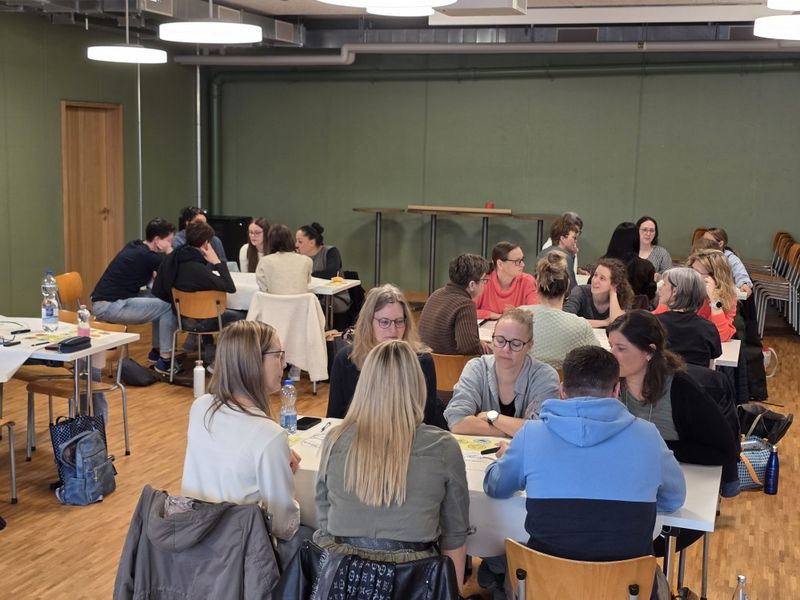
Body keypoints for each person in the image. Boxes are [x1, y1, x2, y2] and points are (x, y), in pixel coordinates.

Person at [483, 346, 685, 598]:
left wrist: (505, 457)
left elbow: (495, 486)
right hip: (626, 590)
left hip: (546, 589)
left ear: (563, 390)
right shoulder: (648, 436)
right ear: (616, 390)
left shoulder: (530, 436)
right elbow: (674, 499)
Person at [315, 340, 470, 590]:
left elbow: (324, 525)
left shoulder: (334, 440)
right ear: (417, 384)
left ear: (365, 385)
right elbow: (454, 537)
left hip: (342, 583)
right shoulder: (444, 447)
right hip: (414, 584)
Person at [181, 320, 302, 545]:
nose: (284, 364)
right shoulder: (269, 435)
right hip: (241, 552)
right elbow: (282, 526)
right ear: (253, 362)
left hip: (194, 539)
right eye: (278, 355)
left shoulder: (200, 407)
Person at [607, 310, 740, 496]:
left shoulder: (681, 389)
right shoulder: (610, 383)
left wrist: (656, 448)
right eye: (611, 346)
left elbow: (723, 450)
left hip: (681, 480)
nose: (611, 354)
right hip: (628, 476)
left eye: (621, 348)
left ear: (649, 351)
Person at [327, 284, 445, 429]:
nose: (393, 330)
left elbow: (426, 420)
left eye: (399, 321)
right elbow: (334, 419)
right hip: (360, 438)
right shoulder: (346, 360)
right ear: (368, 322)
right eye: (384, 322)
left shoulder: (421, 360)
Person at [444, 309, 559, 436]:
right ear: (492, 339)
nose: (506, 349)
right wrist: (511, 431)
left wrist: (492, 417)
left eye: (516, 344)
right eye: (500, 340)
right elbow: (456, 420)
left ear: (529, 346)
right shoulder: (477, 368)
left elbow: (542, 430)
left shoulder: (545, 377)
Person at [91, 217, 179, 376]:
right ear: (157, 240)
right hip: (111, 306)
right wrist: (168, 251)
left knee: (159, 299)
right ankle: (165, 360)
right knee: (167, 305)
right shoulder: (148, 256)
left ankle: (157, 352)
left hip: (108, 300)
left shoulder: (136, 246)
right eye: (168, 241)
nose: (170, 244)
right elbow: (174, 266)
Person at [153, 221, 242, 328]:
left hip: (182, 317)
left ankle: (199, 339)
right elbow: (230, 287)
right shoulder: (198, 270)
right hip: (201, 320)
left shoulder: (174, 259)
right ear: (206, 243)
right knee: (241, 315)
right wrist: (217, 262)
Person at [523, 252, 599, 369]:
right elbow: (598, 360)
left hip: (522, 379)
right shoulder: (580, 326)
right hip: (564, 380)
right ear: (567, 285)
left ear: (537, 284)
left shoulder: (517, 317)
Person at [654, 248, 738, 342]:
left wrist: (714, 300)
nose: (691, 275)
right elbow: (654, 322)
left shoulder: (727, 297)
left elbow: (721, 336)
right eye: (691, 270)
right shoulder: (680, 290)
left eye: (697, 273)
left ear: (714, 277)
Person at [418, 253, 491, 355]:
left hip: (425, 361)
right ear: (472, 285)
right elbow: (469, 348)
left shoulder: (436, 294)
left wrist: (477, 342)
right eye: (484, 280)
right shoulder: (465, 305)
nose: (485, 284)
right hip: (450, 364)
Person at [653, 267, 722, 367]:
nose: (660, 288)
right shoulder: (708, 328)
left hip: (662, 376)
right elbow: (709, 369)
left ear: (675, 291)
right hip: (698, 377)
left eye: (664, 284)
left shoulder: (654, 323)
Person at [295, 221, 351, 314]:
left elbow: (331, 274)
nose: (296, 245)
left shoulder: (331, 252)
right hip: (311, 298)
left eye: (300, 241)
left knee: (308, 308)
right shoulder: (298, 258)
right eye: (296, 241)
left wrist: (308, 276)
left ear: (312, 242)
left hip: (335, 298)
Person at [473, 241, 538, 320]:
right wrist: (497, 316)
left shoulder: (528, 281)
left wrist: (517, 313)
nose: (523, 264)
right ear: (500, 264)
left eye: (522, 259)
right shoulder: (483, 281)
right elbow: (468, 311)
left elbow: (536, 312)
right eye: (517, 261)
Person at [563, 258, 633, 328]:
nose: (595, 281)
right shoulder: (580, 291)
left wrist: (613, 293)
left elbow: (618, 324)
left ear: (614, 284)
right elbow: (566, 319)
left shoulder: (623, 297)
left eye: (602, 278)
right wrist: (605, 322)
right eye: (595, 275)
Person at [601, 221, 657, 303]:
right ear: (636, 241)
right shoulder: (646, 267)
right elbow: (650, 295)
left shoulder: (602, 263)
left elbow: (590, 286)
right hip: (634, 309)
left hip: (602, 307)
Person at [255, 224, 312, 295]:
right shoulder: (306, 261)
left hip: (273, 301)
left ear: (270, 242)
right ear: (290, 240)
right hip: (300, 301)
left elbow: (263, 288)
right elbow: (307, 282)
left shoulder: (264, 261)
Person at [703, 227, 753, 297]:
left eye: (708, 241)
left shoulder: (731, 259)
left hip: (724, 295)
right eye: (703, 240)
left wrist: (744, 284)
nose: (703, 244)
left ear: (720, 243)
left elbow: (740, 274)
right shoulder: (701, 257)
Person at [537, 216, 579, 291]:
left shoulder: (541, 253)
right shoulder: (565, 257)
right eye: (574, 238)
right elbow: (572, 290)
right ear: (563, 238)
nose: (576, 241)